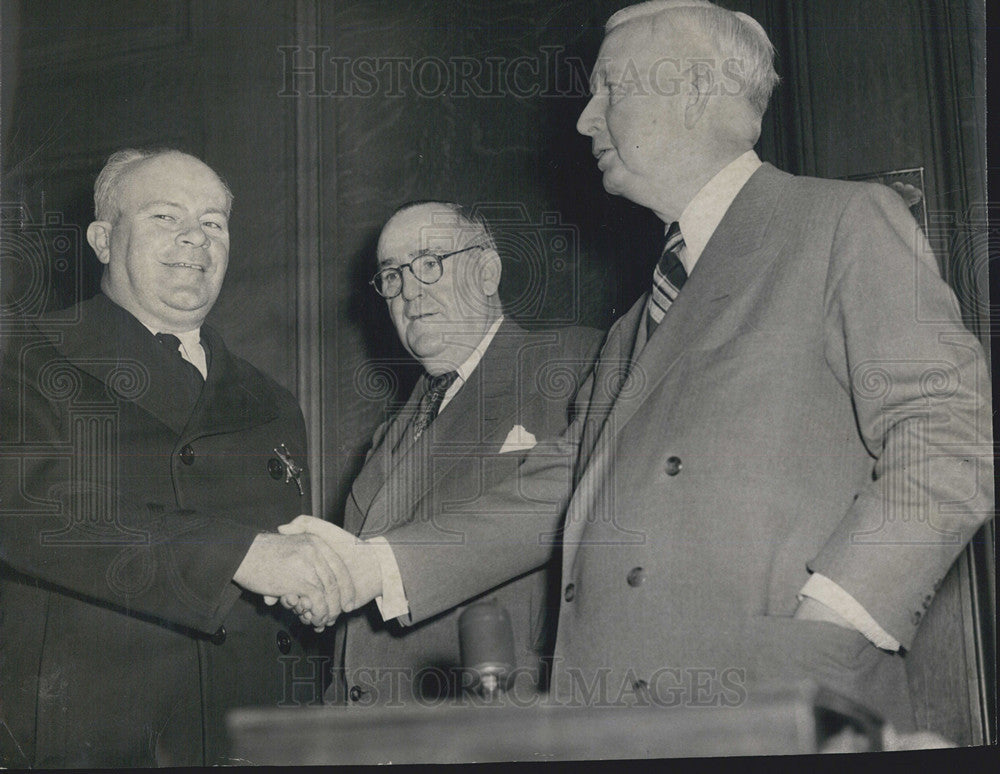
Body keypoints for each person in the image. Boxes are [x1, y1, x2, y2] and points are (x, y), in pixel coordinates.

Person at [281, 1, 992, 732]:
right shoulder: (631, 325)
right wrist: (373, 568)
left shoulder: (843, 223)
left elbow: (949, 438)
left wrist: (835, 620)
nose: (587, 120)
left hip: (778, 703)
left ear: (694, 91)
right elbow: (557, 489)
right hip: (615, 718)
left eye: (610, 89)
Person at [0, 148, 349, 767]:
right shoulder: (26, 357)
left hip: (248, 735)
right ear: (103, 240)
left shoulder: (271, 399)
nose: (196, 238)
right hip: (92, 736)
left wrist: (314, 591)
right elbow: (32, 509)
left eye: (214, 222)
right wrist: (240, 555)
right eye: (166, 217)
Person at [285, 202, 602, 705]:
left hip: (493, 727)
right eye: (391, 275)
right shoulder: (394, 429)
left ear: (488, 271)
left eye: (430, 263)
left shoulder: (573, 364)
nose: (409, 292)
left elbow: (568, 500)